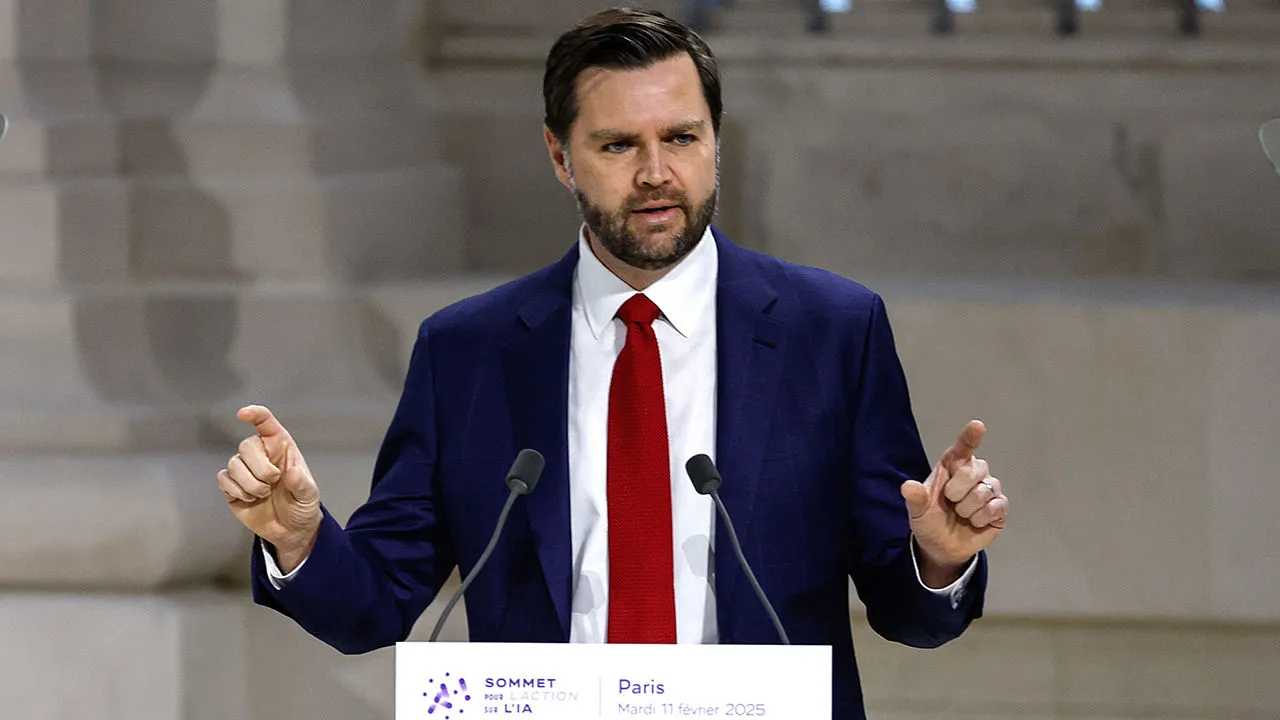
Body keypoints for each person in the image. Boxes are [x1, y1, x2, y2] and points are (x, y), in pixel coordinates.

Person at [216, 8, 1009, 719]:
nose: (656, 172)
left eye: (682, 138)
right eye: (619, 144)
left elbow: (909, 613)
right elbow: (375, 605)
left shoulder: (831, 332)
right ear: (561, 156)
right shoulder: (468, 351)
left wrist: (938, 558)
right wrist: (301, 540)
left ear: (715, 140)